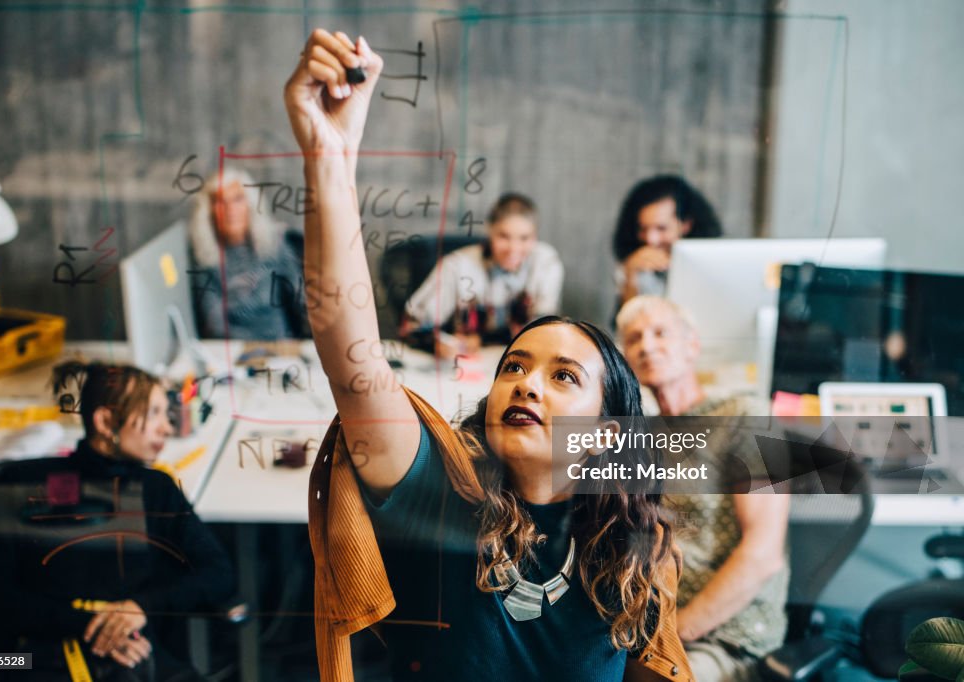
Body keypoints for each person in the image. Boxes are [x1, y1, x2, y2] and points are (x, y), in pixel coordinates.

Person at [285, 29, 691, 682]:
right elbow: (351, 357)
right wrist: (329, 155)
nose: (527, 384)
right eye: (515, 367)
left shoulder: (634, 554)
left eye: (563, 377)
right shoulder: (439, 500)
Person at [0, 361, 235, 681]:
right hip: (37, 658)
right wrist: (92, 627)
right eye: (153, 414)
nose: (166, 428)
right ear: (106, 421)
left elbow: (219, 574)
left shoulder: (156, 490)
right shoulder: (35, 488)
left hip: (136, 656)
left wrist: (138, 609)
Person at [617, 296, 789, 682]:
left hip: (724, 633)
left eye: (660, 333)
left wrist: (673, 635)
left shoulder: (744, 417)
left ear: (692, 345)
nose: (646, 345)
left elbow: (763, 554)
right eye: (634, 338)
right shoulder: (638, 435)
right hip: (644, 626)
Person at [400, 192, 564, 359]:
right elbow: (411, 326)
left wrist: (483, 340)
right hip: (461, 365)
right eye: (504, 236)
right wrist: (436, 345)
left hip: (515, 362)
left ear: (535, 237)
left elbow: (544, 330)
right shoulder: (457, 266)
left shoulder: (545, 263)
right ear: (490, 231)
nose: (513, 248)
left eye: (524, 238)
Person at [188, 166, 306, 340]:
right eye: (221, 202)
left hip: (283, 347)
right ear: (209, 211)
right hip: (233, 351)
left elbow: (302, 303)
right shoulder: (204, 258)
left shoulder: (275, 244)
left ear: (250, 205)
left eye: (238, 199)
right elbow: (214, 326)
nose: (230, 209)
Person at [612, 175, 723, 303]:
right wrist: (630, 277)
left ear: (686, 224)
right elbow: (628, 320)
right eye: (643, 228)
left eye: (661, 228)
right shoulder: (632, 264)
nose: (651, 239)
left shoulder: (711, 265)